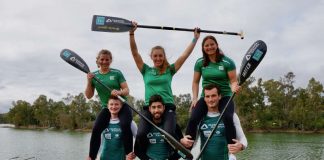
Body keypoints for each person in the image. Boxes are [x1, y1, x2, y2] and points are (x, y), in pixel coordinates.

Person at [129, 22, 200, 154]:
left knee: (169, 133)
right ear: (151, 57)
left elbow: (184, 56)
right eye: (155, 56)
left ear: (164, 57)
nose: (158, 58)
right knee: (140, 135)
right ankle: (143, 156)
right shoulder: (145, 70)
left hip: (167, 107)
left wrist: (195, 39)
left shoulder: (169, 70)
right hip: (149, 108)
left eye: (160, 56)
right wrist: (132, 33)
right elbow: (134, 53)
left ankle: (175, 154)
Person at [185, 35, 240, 146]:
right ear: (203, 48)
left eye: (212, 44)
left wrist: (234, 87)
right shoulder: (200, 62)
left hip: (224, 96)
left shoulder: (228, 62)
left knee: (228, 118)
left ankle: (232, 149)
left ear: (216, 45)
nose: (209, 47)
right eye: (206, 45)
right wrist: (195, 98)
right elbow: (195, 82)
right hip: (207, 97)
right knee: (193, 118)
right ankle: (187, 149)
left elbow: (233, 81)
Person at [85, 49, 133, 160]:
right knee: (96, 129)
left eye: (107, 59)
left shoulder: (117, 73)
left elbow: (126, 90)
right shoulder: (94, 76)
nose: (104, 62)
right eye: (102, 59)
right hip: (107, 107)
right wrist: (88, 81)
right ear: (98, 60)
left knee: (125, 125)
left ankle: (128, 155)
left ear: (110, 60)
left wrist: (119, 92)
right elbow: (88, 96)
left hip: (122, 105)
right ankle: (91, 157)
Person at [181, 84, 247, 160]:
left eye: (213, 96)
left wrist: (241, 146)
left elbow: (242, 139)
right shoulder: (200, 117)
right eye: (207, 96)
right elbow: (194, 142)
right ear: (204, 98)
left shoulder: (231, 116)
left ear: (219, 96)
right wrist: (184, 141)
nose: (210, 100)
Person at [134, 94, 184, 160]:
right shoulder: (144, 127)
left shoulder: (172, 126)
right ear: (149, 109)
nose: (156, 110)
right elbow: (137, 150)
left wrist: (171, 159)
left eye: (159, 107)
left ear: (164, 108)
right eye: (153, 107)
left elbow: (182, 149)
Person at [88, 96, 137, 160]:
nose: (113, 107)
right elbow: (98, 141)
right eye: (111, 104)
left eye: (116, 104)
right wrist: (93, 157)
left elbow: (139, 139)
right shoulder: (102, 122)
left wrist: (135, 153)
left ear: (121, 106)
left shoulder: (130, 123)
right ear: (107, 106)